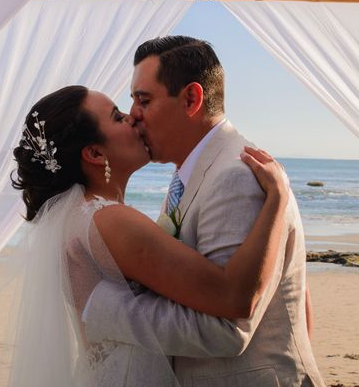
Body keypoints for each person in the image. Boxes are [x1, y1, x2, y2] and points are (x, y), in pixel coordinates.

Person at [0, 83, 291, 387]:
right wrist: (278, 199)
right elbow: (231, 298)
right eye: (117, 117)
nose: (132, 117)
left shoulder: (78, 219)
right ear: (95, 153)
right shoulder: (110, 220)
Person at [82, 36, 325, 386]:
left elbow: (229, 325)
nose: (133, 114)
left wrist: (104, 310)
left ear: (192, 99)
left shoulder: (236, 176)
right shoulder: (192, 171)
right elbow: (300, 300)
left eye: (143, 99)